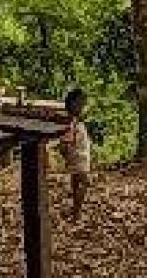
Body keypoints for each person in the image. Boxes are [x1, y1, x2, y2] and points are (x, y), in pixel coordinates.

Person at [58, 89, 92, 220]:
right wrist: (68, 156)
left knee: (76, 182)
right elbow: (64, 143)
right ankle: (76, 210)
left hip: (79, 156)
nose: (83, 107)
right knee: (85, 182)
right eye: (81, 104)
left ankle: (75, 210)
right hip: (78, 157)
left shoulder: (75, 121)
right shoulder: (71, 122)